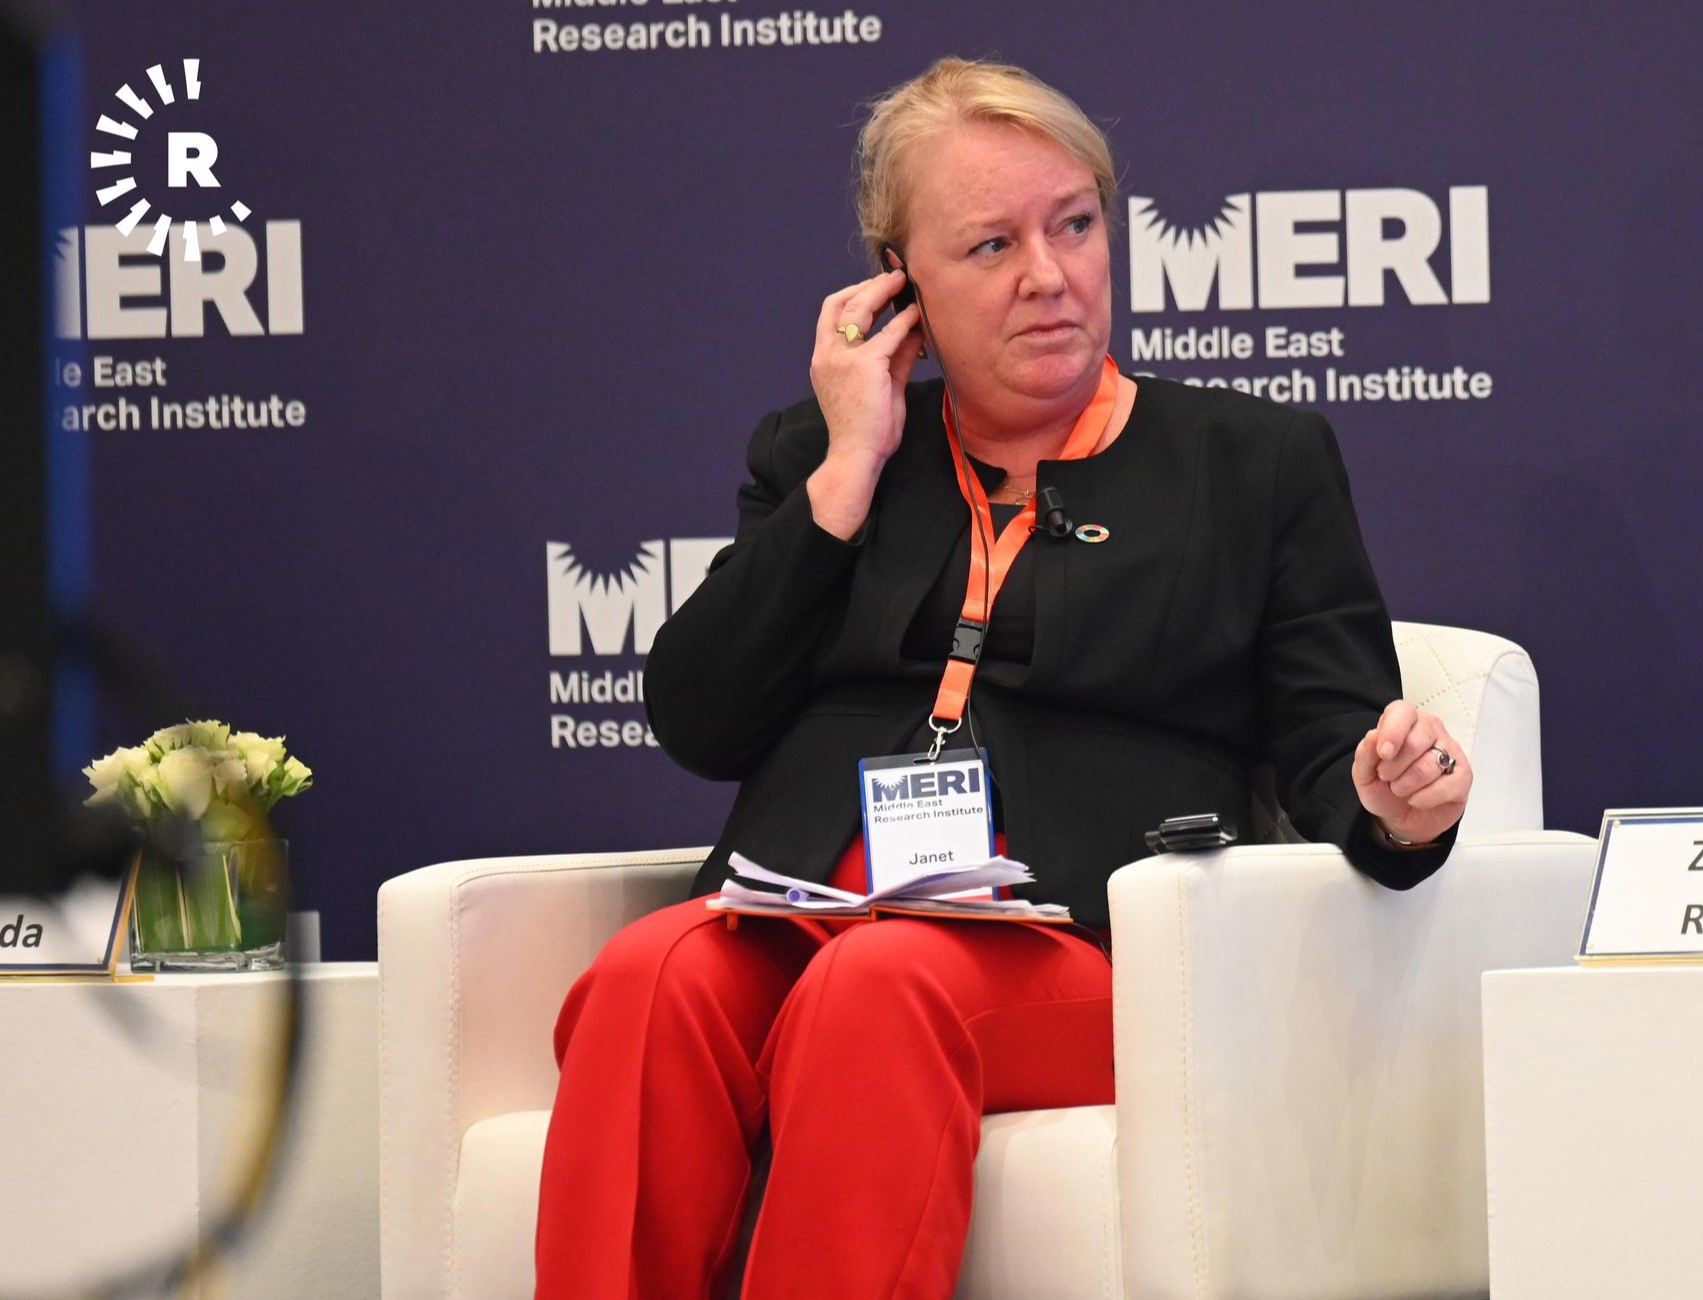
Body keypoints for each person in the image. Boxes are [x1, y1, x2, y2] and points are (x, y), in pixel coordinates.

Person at [535, 56, 1473, 1300]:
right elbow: (700, 720)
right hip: (809, 903)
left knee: (876, 988)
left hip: (1077, 937)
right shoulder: (823, 451)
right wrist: (845, 475)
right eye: (989, 245)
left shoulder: (1251, 462)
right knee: (649, 974)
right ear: (899, 284)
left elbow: (1330, 738)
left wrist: (1394, 803)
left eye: (1073, 225)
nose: (1048, 275)